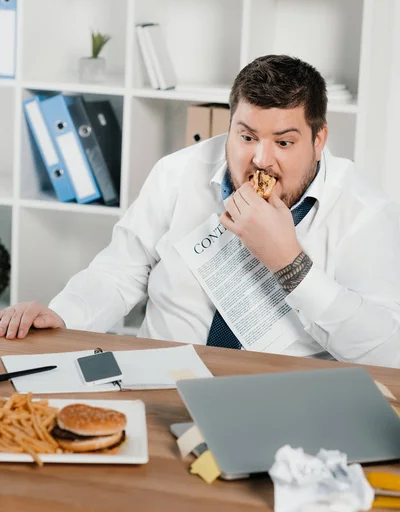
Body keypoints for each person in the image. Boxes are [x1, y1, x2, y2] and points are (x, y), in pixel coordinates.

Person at [1, 55, 400, 368]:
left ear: (318, 140)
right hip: (159, 379)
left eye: (283, 143)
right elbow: (121, 271)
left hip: (281, 395)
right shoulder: (177, 172)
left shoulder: (363, 212)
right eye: (247, 136)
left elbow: (385, 353)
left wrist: (289, 263)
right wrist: (63, 315)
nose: (261, 160)